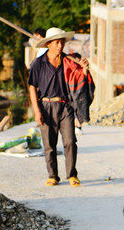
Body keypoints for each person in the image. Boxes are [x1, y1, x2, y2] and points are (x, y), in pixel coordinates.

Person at [27, 27, 89, 187]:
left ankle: (72, 175)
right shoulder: (38, 64)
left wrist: (83, 67)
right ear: (48, 44)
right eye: (56, 43)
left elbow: (78, 78)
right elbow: (32, 86)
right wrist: (36, 111)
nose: (60, 46)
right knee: (49, 144)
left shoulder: (69, 61)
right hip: (45, 106)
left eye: (61, 43)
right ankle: (53, 175)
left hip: (65, 106)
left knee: (70, 141)